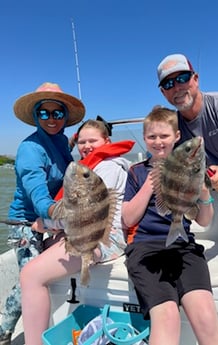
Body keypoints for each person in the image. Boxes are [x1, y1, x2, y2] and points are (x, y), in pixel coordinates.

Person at [156, 53, 218, 344]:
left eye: (182, 78)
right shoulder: (176, 127)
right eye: (168, 84)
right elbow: (164, 157)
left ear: (195, 79)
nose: (177, 87)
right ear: (163, 92)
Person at [20, 119, 134, 345]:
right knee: (39, 252)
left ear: (107, 141)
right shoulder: (98, 165)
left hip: (102, 238)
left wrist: (46, 223)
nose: (87, 146)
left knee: (29, 275)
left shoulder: (108, 167)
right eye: (82, 141)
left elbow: (88, 213)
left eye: (93, 140)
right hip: (86, 232)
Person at [122, 107, 218, 345]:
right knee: (167, 316)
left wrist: (202, 193)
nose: (158, 142)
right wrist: (150, 184)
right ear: (145, 138)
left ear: (177, 137)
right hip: (144, 248)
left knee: (206, 315)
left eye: (164, 136)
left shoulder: (190, 169)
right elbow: (128, 219)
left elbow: (203, 220)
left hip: (183, 246)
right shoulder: (136, 172)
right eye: (152, 137)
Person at [0, 82, 85, 345]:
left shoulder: (61, 142)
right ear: (36, 116)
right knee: (31, 279)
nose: (51, 119)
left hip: (53, 221)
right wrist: (56, 219)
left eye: (57, 113)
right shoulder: (29, 149)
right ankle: (8, 331)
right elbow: (38, 194)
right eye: (44, 113)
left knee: (32, 278)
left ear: (64, 117)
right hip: (27, 223)